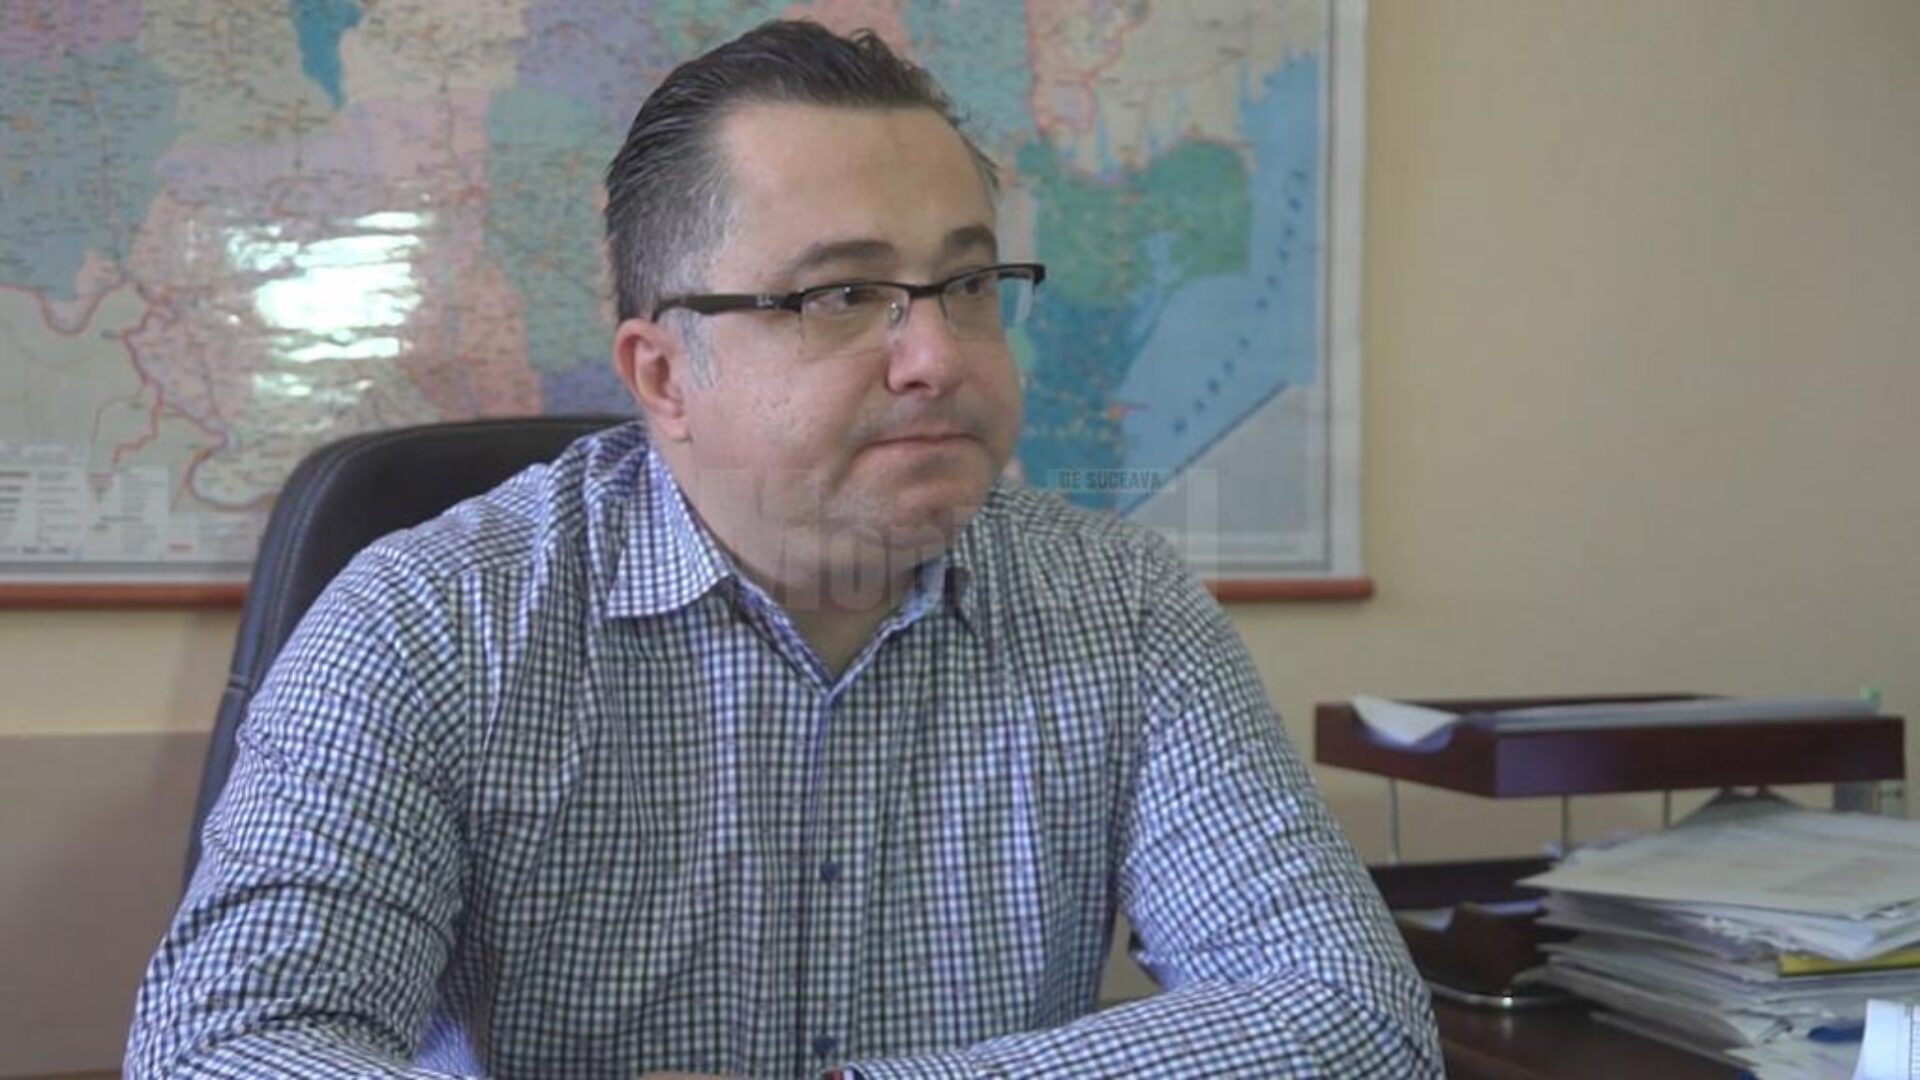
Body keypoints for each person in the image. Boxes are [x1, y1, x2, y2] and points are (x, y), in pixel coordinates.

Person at [128, 19, 1439, 1079]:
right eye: (843, 295)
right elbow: (226, 1044)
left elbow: (1352, 1020)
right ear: (663, 373)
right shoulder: (431, 620)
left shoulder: (1122, 606)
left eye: (966, 285)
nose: (936, 358)